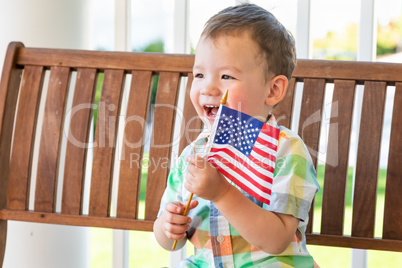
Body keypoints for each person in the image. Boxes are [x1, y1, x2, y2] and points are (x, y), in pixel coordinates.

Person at [153, 3, 320, 267]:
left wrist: (222, 193)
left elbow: (277, 240)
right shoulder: (194, 155)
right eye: (199, 74)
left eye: (227, 75)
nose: (208, 86)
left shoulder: (286, 151)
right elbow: (170, 241)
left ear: (273, 90)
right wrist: (167, 227)